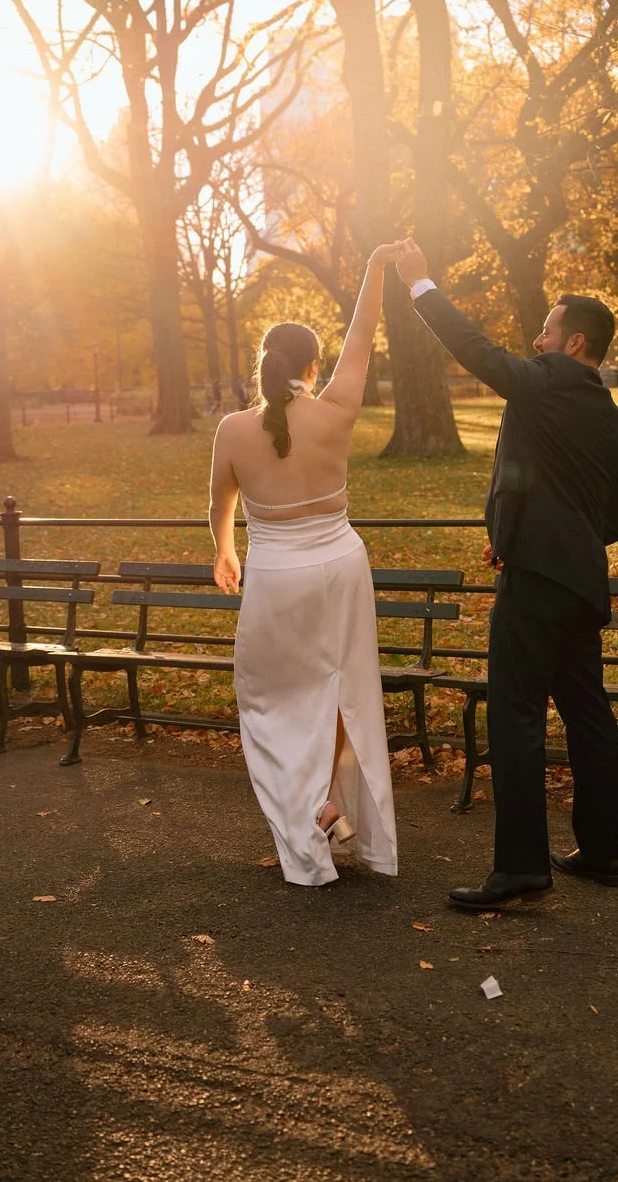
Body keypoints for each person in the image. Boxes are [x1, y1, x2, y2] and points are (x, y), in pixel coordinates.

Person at [394, 239, 618, 911]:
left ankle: (523, 867)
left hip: (534, 583)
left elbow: (474, 349)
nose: (535, 339)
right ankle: (604, 851)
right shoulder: (615, 424)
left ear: (575, 341)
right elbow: (613, 520)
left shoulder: (544, 383)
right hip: (582, 583)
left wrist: (420, 282)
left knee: (517, 714)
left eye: (547, 329)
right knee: (589, 714)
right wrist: (524, 530)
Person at [208, 243, 406, 887]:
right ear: (312, 364)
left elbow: (221, 505)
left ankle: (312, 807)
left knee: (269, 701)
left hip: (276, 576)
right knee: (343, 691)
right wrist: (374, 269)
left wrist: (224, 549)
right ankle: (327, 802)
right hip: (342, 569)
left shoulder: (233, 430)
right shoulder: (336, 411)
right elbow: (363, 336)